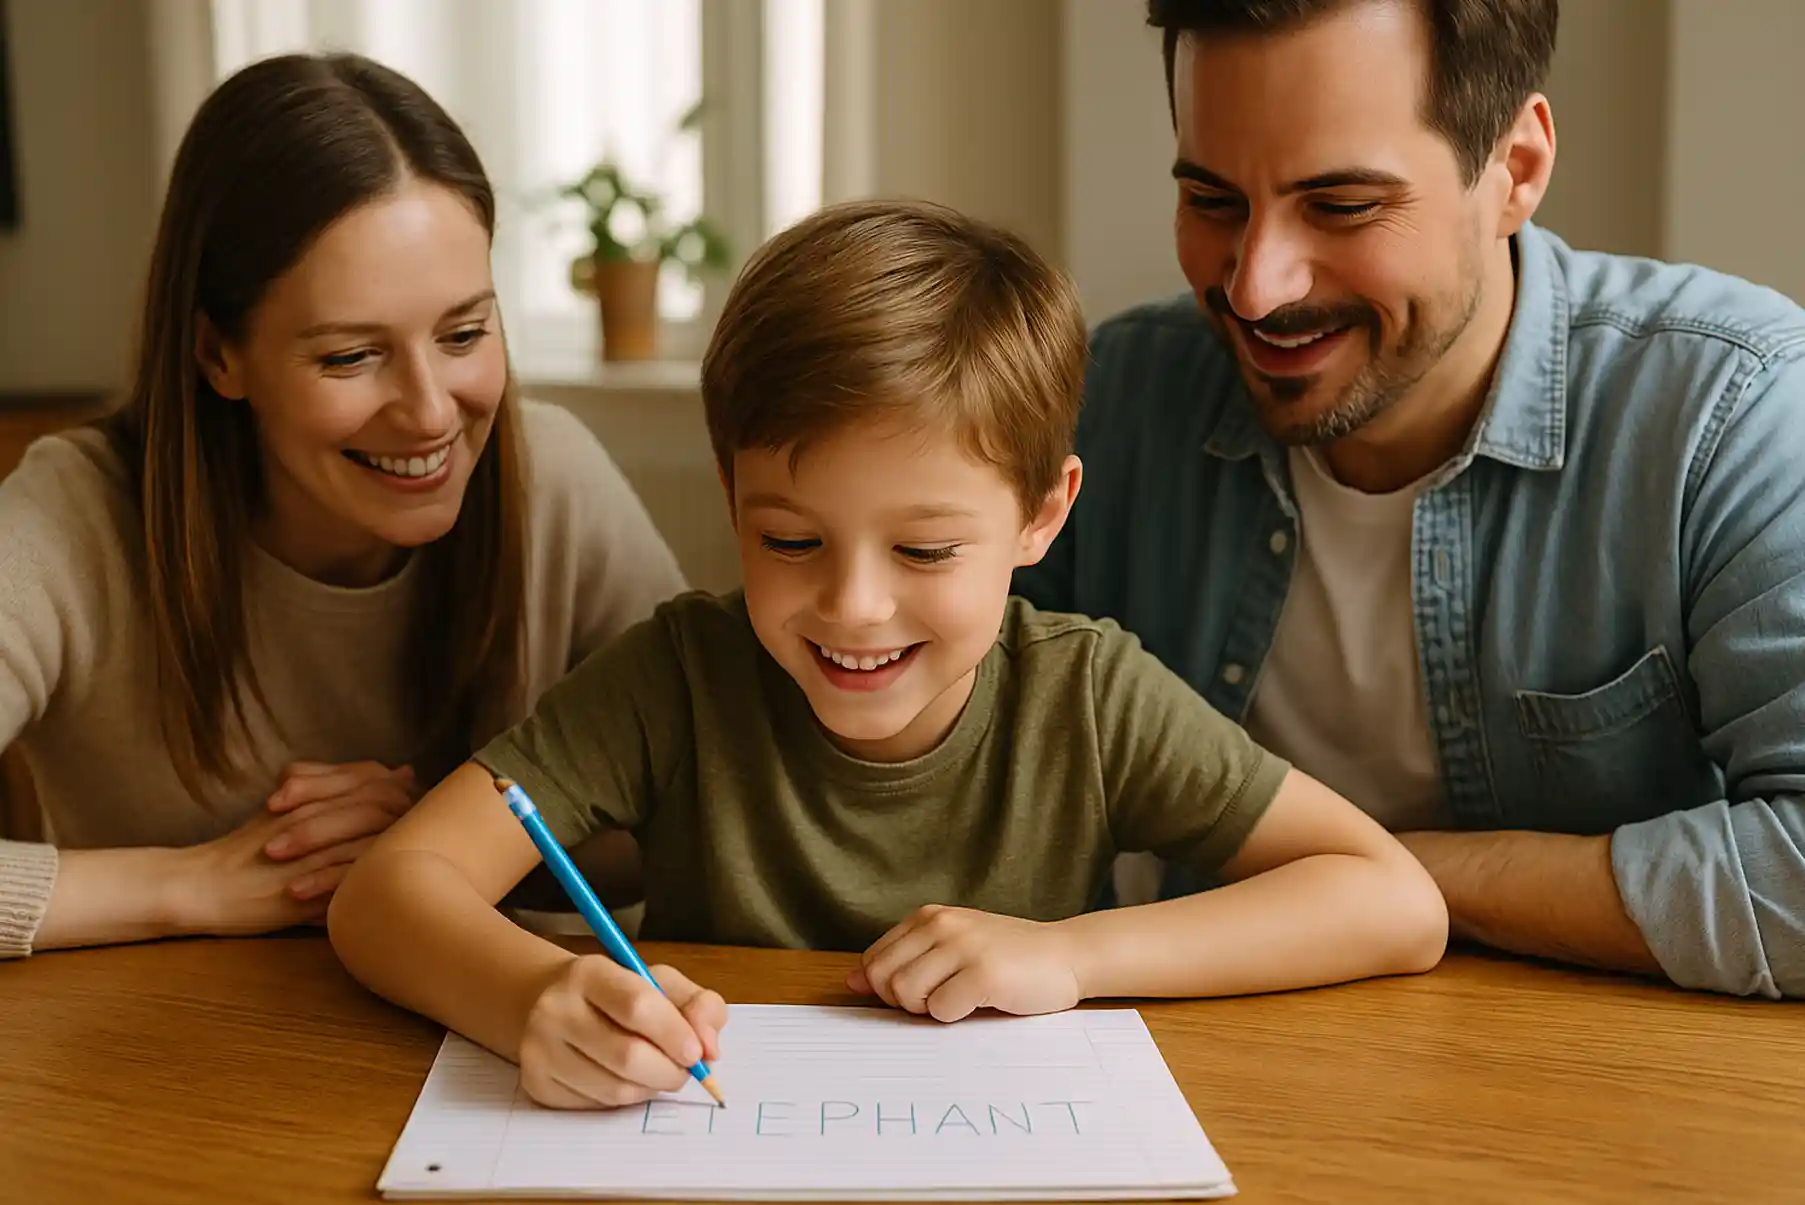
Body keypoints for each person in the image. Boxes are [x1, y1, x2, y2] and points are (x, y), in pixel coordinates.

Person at [326, 197, 1448, 1110]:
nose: (853, 606)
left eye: (922, 546)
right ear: (729, 497)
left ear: (1039, 516)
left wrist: (1072, 957)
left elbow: (1391, 900)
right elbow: (387, 892)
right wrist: (535, 994)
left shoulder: (1086, 692)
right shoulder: (675, 674)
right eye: (789, 539)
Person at [1012, 0, 1805, 999]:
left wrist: (1376, 884)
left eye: (1340, 205)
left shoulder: (1730, 412)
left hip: (1600, 1107)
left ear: (1514, 168)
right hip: (1207, 1079)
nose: (1255, 287)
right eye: (1212, 201)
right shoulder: (1108, 406)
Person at [0, 52, 685, 959]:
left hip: (473, 1055)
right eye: (349, 357)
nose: (432, 410)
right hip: (147, 1063)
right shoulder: (76, 516)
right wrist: (194, 882)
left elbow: (714, 806)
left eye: (464, 334)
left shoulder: (551, 475)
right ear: (218, 355)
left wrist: (439, 844)